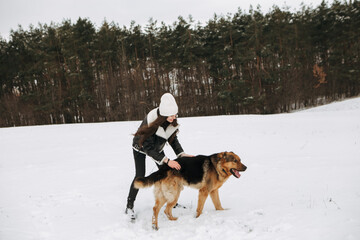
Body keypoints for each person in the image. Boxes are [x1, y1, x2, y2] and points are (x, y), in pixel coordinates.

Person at [125, 93, 193, 221]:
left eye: (175, 114)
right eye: (171, 115)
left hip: (156, 148)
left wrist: (181, 154)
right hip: (141, 147)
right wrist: (167, 160)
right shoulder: (151, 122)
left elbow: (173, 140)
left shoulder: (171, 120)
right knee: (140, 174)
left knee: (167, 173)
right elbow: (148, 148)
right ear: (163, 115)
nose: (174, 117)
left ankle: (171, 200)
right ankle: (129, 205)